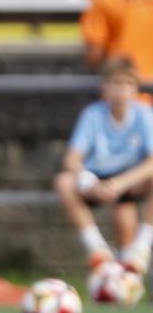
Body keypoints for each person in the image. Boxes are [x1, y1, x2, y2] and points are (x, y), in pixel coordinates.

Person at [54, 56, 153, 274]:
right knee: (64, 182)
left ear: (136, 88)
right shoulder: (93, 114)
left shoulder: (144, 115)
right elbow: (71, 159)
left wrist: (120, 183)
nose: (121, 91)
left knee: (125, 214)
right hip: (98, 179)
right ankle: (98, 251)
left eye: (127, 84)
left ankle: (142, 248)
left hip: (131, 181)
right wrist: (88, 180)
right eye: (115, 84)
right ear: (104, 88)